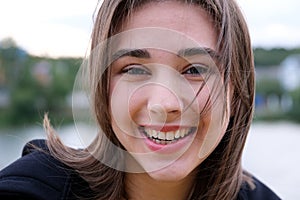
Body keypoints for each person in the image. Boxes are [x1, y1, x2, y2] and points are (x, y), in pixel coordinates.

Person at [0, 0, 281, 199]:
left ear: (234, 88)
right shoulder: (33, 190)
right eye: (134, 69)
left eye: (195, 70)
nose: (163, 104)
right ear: (104, 88)